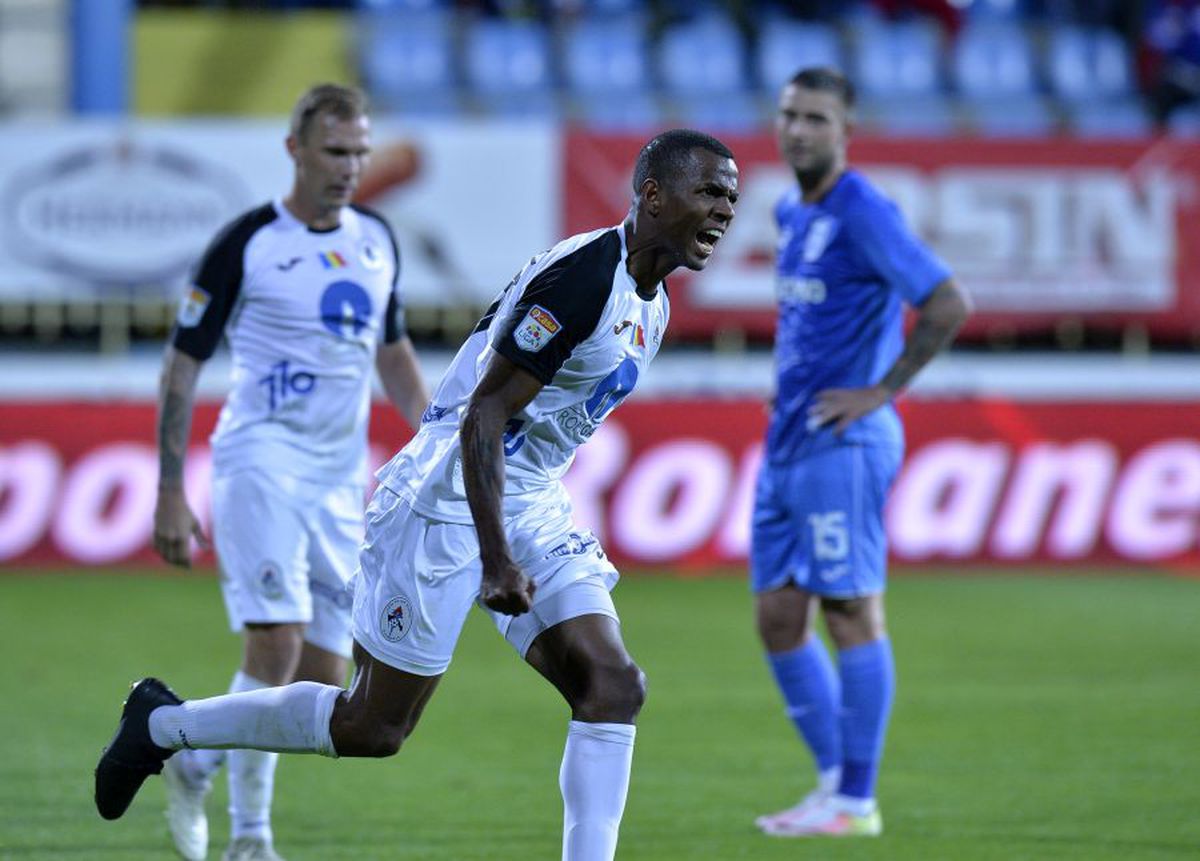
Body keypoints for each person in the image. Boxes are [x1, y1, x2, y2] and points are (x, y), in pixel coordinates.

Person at [96, 128, 739, 861]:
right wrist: (496, 558)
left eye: (732, 198)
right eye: (710, 192)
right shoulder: (586, 279)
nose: (725, 210)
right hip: (445, 498)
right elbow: (483, 415)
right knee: (373, 727)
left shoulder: (650, 302)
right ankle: (164, 726)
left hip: (527, 495)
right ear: (653, 194)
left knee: (613, 685)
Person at [148, 83, 429, 861]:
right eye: (335, 151)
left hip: (339, 478)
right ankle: (251, 837)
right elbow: (182, 365)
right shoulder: (247, 242)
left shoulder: (377, 238)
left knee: (325, 673)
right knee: (273, 643)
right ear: (295, 150)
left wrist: (437, 433)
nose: (350, 167)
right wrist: (169, 487)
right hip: (260, 460)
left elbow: (393, 352)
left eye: (360, 152)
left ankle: (194, 757)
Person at [751, 67, 971, 838]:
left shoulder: (864, 210)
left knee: (849, 611)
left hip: (842, 443)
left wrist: (882, 390)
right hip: (789, 438)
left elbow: (947, 302)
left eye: (816, 117)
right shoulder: (790, 209)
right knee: (779, 616)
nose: (798, 129)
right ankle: (832, 784)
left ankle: (856, 800)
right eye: (790, 114)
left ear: (847, 131)